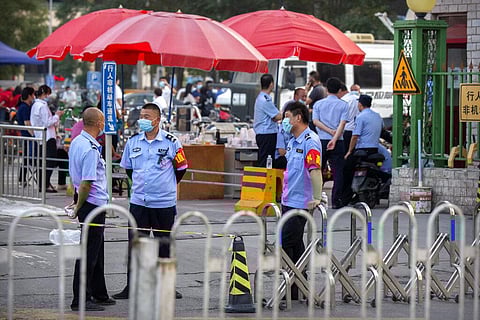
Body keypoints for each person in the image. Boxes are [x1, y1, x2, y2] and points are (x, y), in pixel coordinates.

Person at [114, 103, 188, 300]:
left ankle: (166, 286)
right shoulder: (133, 142)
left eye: (146, 116)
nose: (142, 119)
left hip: (163, 203)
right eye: (141, 115)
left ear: (157, 120)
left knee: (164, 246)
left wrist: (166, 186)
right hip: (139, 203)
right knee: (136, 245)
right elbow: (128, 169)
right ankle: (132, 286)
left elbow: (181, 169)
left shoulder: (172, 142)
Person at [69, 108, 115, 311]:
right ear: (99, 123)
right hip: (92, 204)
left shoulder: (78, 141)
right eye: (103, 121)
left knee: (97, 250)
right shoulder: (89, 148)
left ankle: (98, 292)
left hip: (90, 202)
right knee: (88, 252)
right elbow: (87, 183)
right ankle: (81, 298)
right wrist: (78, 206)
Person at [280, 101, 323, 300]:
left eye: (287, 116)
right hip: (288, 199)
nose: (284, 121)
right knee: (296, 244)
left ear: (298, 117)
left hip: (300, 203)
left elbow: (315, 171)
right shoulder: (292, 141)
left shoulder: (310, 141)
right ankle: (298, 287)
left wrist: (316, 197)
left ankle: (290, 285)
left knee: (286, 243)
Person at [312, 77, 349, 208]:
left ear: (326, 89)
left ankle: (316, 198)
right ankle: (336, 201)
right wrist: (334, 138)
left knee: (317, 170)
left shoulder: (318, 104)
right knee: (338, 172)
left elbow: (315, 122)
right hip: (338, 142)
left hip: (320, 141)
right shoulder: (344, 105)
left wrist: (328, 132)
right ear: (339, 90)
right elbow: (342, 124)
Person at [342, 94, 383, 203]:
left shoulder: (360, 117)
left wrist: (349, 152)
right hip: (375, 149)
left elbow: (355, 136)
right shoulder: (378, 116)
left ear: (360, 104)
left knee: (347, 169)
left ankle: (346, 197)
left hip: (362, 151)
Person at [30, 85, 64, 192]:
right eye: (48, 94)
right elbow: (47, 122)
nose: (48, 96)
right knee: (49, 162)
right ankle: (44, 184)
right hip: (47, 137)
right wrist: (57, 116)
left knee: (44, 162)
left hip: (41, 136)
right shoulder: (42, 106)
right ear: (44, 93)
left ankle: (43, 183)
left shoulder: (35, 105)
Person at [253, 74, 282, 167]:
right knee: (266, 161)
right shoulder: (265, 100)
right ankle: (264, 180)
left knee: (267, 160)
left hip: (264, 133)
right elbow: (277, 116)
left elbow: (273, 116)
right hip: (267, 134)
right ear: (271, 84)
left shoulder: (261, 98)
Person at [16, 87, 36, 185]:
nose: (34, 97)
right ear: (29, 95)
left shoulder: (23, 106)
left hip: (25, 136)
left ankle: (22, 178)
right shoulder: (24, 107)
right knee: (27, 158)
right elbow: (27, 123)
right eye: (33, 94)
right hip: (27, 136)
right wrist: (33, 135)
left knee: (26, 158)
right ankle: (22, 178)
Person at [342, 84, 361, 154]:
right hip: (358, 131)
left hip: (346, 129)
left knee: (346, 151)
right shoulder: (361, 100)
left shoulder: (345, 99)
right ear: (358, 90)